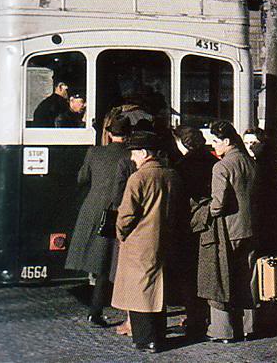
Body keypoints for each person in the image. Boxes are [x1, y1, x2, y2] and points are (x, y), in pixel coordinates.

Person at [111, 131, 180, 353]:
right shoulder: (171, 175)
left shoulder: (138, 178)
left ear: (143, 153)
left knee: (138, 292)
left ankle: (145, 338)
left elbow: (126, 215)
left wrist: (121, 234)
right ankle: (158, 336)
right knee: (158, 290)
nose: (132, 159)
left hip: (139, 242)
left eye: (134, 153)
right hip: (165, 238)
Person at [193, 120, 258, 343]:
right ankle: (249, 327)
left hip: (228, 230)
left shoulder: (221, 167)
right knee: (247, 277)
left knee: (221, 278)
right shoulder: (249, 162)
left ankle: (223, 330)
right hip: (249, 227)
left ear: (227, 141)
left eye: (215, 141)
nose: (213, 145)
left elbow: (218, 205)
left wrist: (205, 209)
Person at [65, 116, 131, 326]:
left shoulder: (94, 152)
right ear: (128, 135)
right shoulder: (131, 156)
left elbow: (82, 178)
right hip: (116, 211)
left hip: (92, 209)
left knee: (99, 262)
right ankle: (107, 310)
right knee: (111, 261)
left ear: (109, 134)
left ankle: (96, 310)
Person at [170, 125, 216, 340]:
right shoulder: (213, 161)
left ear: (183, 143)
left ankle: (194, 319)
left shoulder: (182, 166)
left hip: (188, 225)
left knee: (189, 276)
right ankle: (207, 316)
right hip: (210, 223)